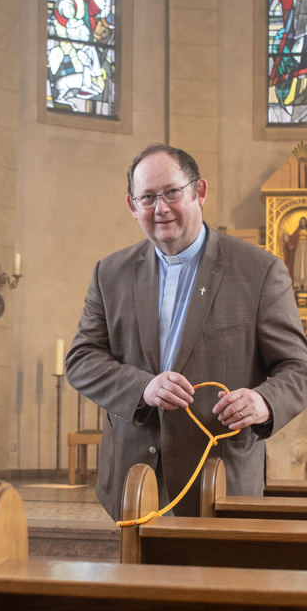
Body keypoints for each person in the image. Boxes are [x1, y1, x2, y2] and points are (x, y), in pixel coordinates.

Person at [65, 144, 307, 520]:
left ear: (199, 192)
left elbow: (298, 367)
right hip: (134, 478)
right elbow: (81, 360)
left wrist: (264, 402)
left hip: (221, 478)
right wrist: (143, 387)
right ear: (132, 206)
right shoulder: (109, 273)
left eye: (172, 192)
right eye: (147, 197)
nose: (160, 207)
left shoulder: (259, 271)